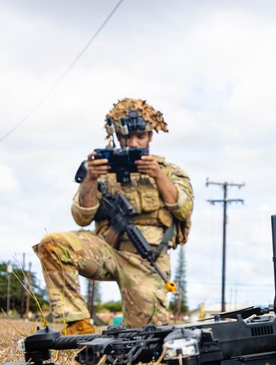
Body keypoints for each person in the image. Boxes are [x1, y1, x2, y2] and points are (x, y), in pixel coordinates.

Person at [34, 98, 193, 333]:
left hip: (147, 260)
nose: (133, 142)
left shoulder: (170, 171)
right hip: (106, 251)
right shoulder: (102, 171)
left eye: (140, 136)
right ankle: (78, 324)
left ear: (150, 136)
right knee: (53, 244)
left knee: (146, 337)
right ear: (117, 136)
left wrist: (158, 176)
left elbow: (184, 208)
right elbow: (81, 217)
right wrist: (91, 179)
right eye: (126, 137)